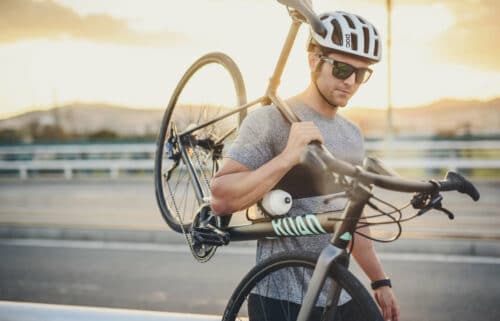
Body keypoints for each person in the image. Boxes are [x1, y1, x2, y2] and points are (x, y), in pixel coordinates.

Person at [210, 10, 400, 321]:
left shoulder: (352, 134)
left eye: (361, 74)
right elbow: (221, 198)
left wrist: (380, 280)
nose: (351, 82)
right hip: (281, 298)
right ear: (314, 61)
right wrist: (287, 158)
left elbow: (353, 218)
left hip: (339, 292)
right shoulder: (270, 120)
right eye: (341, 69)